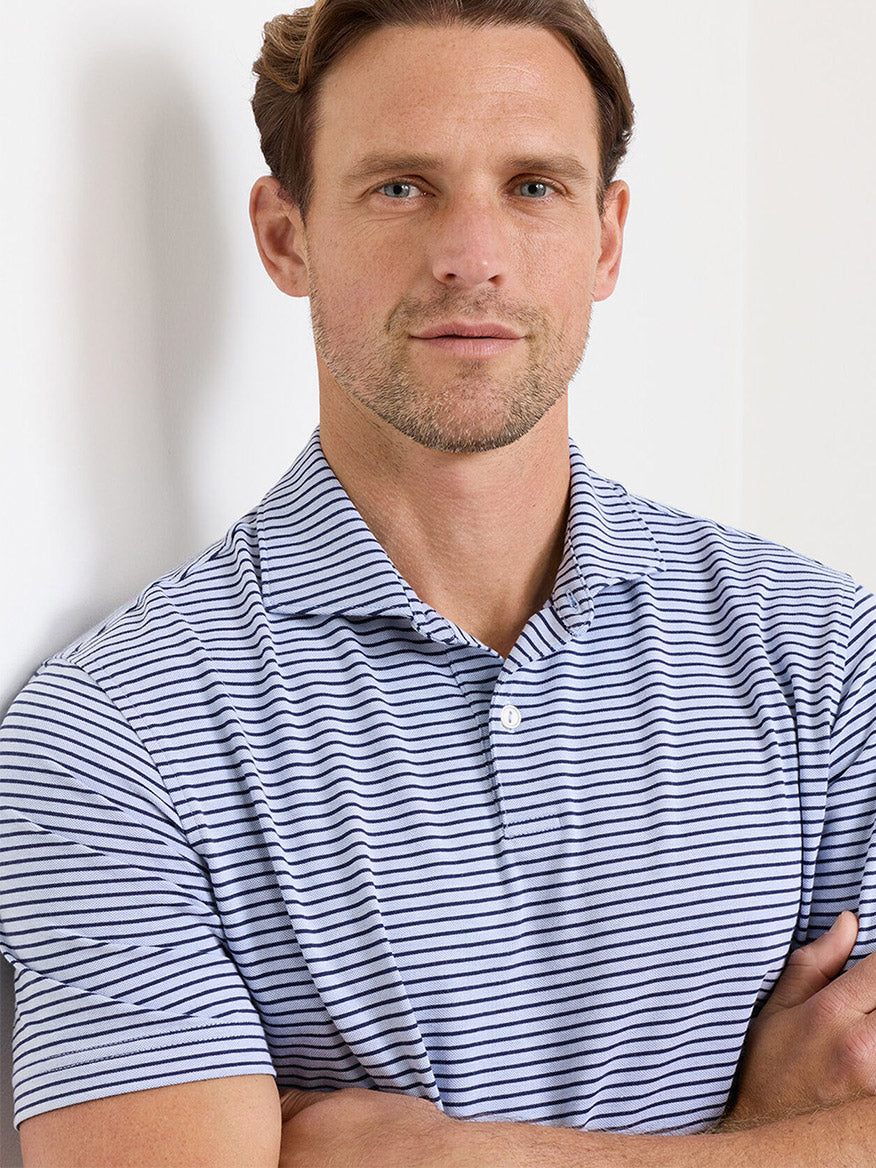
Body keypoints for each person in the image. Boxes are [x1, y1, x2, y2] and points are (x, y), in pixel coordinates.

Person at [2, 0, 876, 1164]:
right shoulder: (113, 735)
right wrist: (771, 1139)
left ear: (607, 238)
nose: (475, 251)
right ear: (284, 236)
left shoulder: (825, 655)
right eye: (402, 186)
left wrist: (463, 1157)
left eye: (534, 186)